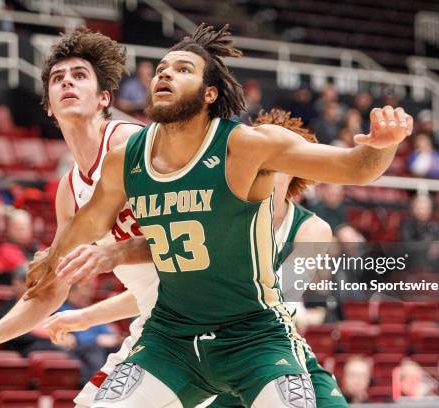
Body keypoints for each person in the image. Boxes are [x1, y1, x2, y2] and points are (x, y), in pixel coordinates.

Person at [24, 23, 412, 408]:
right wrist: (52, 257)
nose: (165, 74)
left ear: (209, 93)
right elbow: (90, 220)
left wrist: (383, 145)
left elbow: (356, 167)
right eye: (161, 68)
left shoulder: (246, 147)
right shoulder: (128, 156)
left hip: (253, 336)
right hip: (170, 338)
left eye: (182, 69)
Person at [45, 110, 349, 408]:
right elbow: (179, 287)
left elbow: (284, 305)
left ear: (294, 167)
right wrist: (87, 316)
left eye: (274, 162)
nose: (262, 167)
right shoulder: (222, 214)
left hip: (265, 349)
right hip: (201, 350)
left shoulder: (311, 229)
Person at [0, 29, 153, 392]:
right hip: (157, 321)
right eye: (58, 79)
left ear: (104, 97)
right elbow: (50, 289)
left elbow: (188, 238)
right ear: (48, 105)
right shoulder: (68, 192)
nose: (67, 83)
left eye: (79, 76)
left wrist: (113, 255)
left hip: (205, 307)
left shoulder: (129, 142)